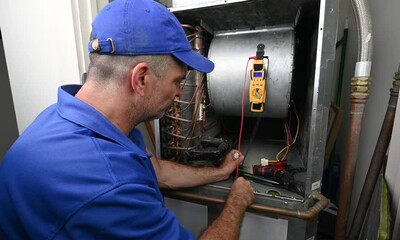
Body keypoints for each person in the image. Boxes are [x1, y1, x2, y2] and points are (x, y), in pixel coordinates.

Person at [0, 0, 255, 239]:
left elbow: (160, 172)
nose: (179, 93)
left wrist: (218, 173)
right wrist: (237, 201)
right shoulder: (108, 184)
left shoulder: (67, 117)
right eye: (177, 81)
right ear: (141, 79)